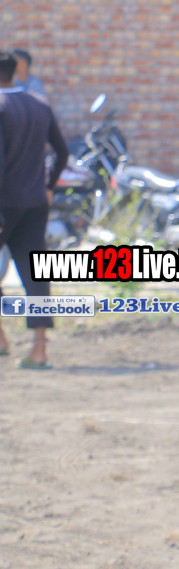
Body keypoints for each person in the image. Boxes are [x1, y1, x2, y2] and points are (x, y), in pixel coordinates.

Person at [0, 50, 68, 369]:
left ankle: (1, 337)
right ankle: (39, 350)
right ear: (15, 71)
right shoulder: (39, 104)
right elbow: (62, 152)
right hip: (36, 202)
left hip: (4, 204)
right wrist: (49, 186)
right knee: (35, 276)